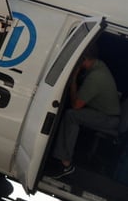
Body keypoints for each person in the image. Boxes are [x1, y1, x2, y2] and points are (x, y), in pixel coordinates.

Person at [51, 44, 120, 178]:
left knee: (71, 115)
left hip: (108, 118)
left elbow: (76, 105)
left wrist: (73, 80)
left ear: (84, 58)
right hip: (103, 112)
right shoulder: (98, 66)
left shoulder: (96, 76)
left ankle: (65, 164)